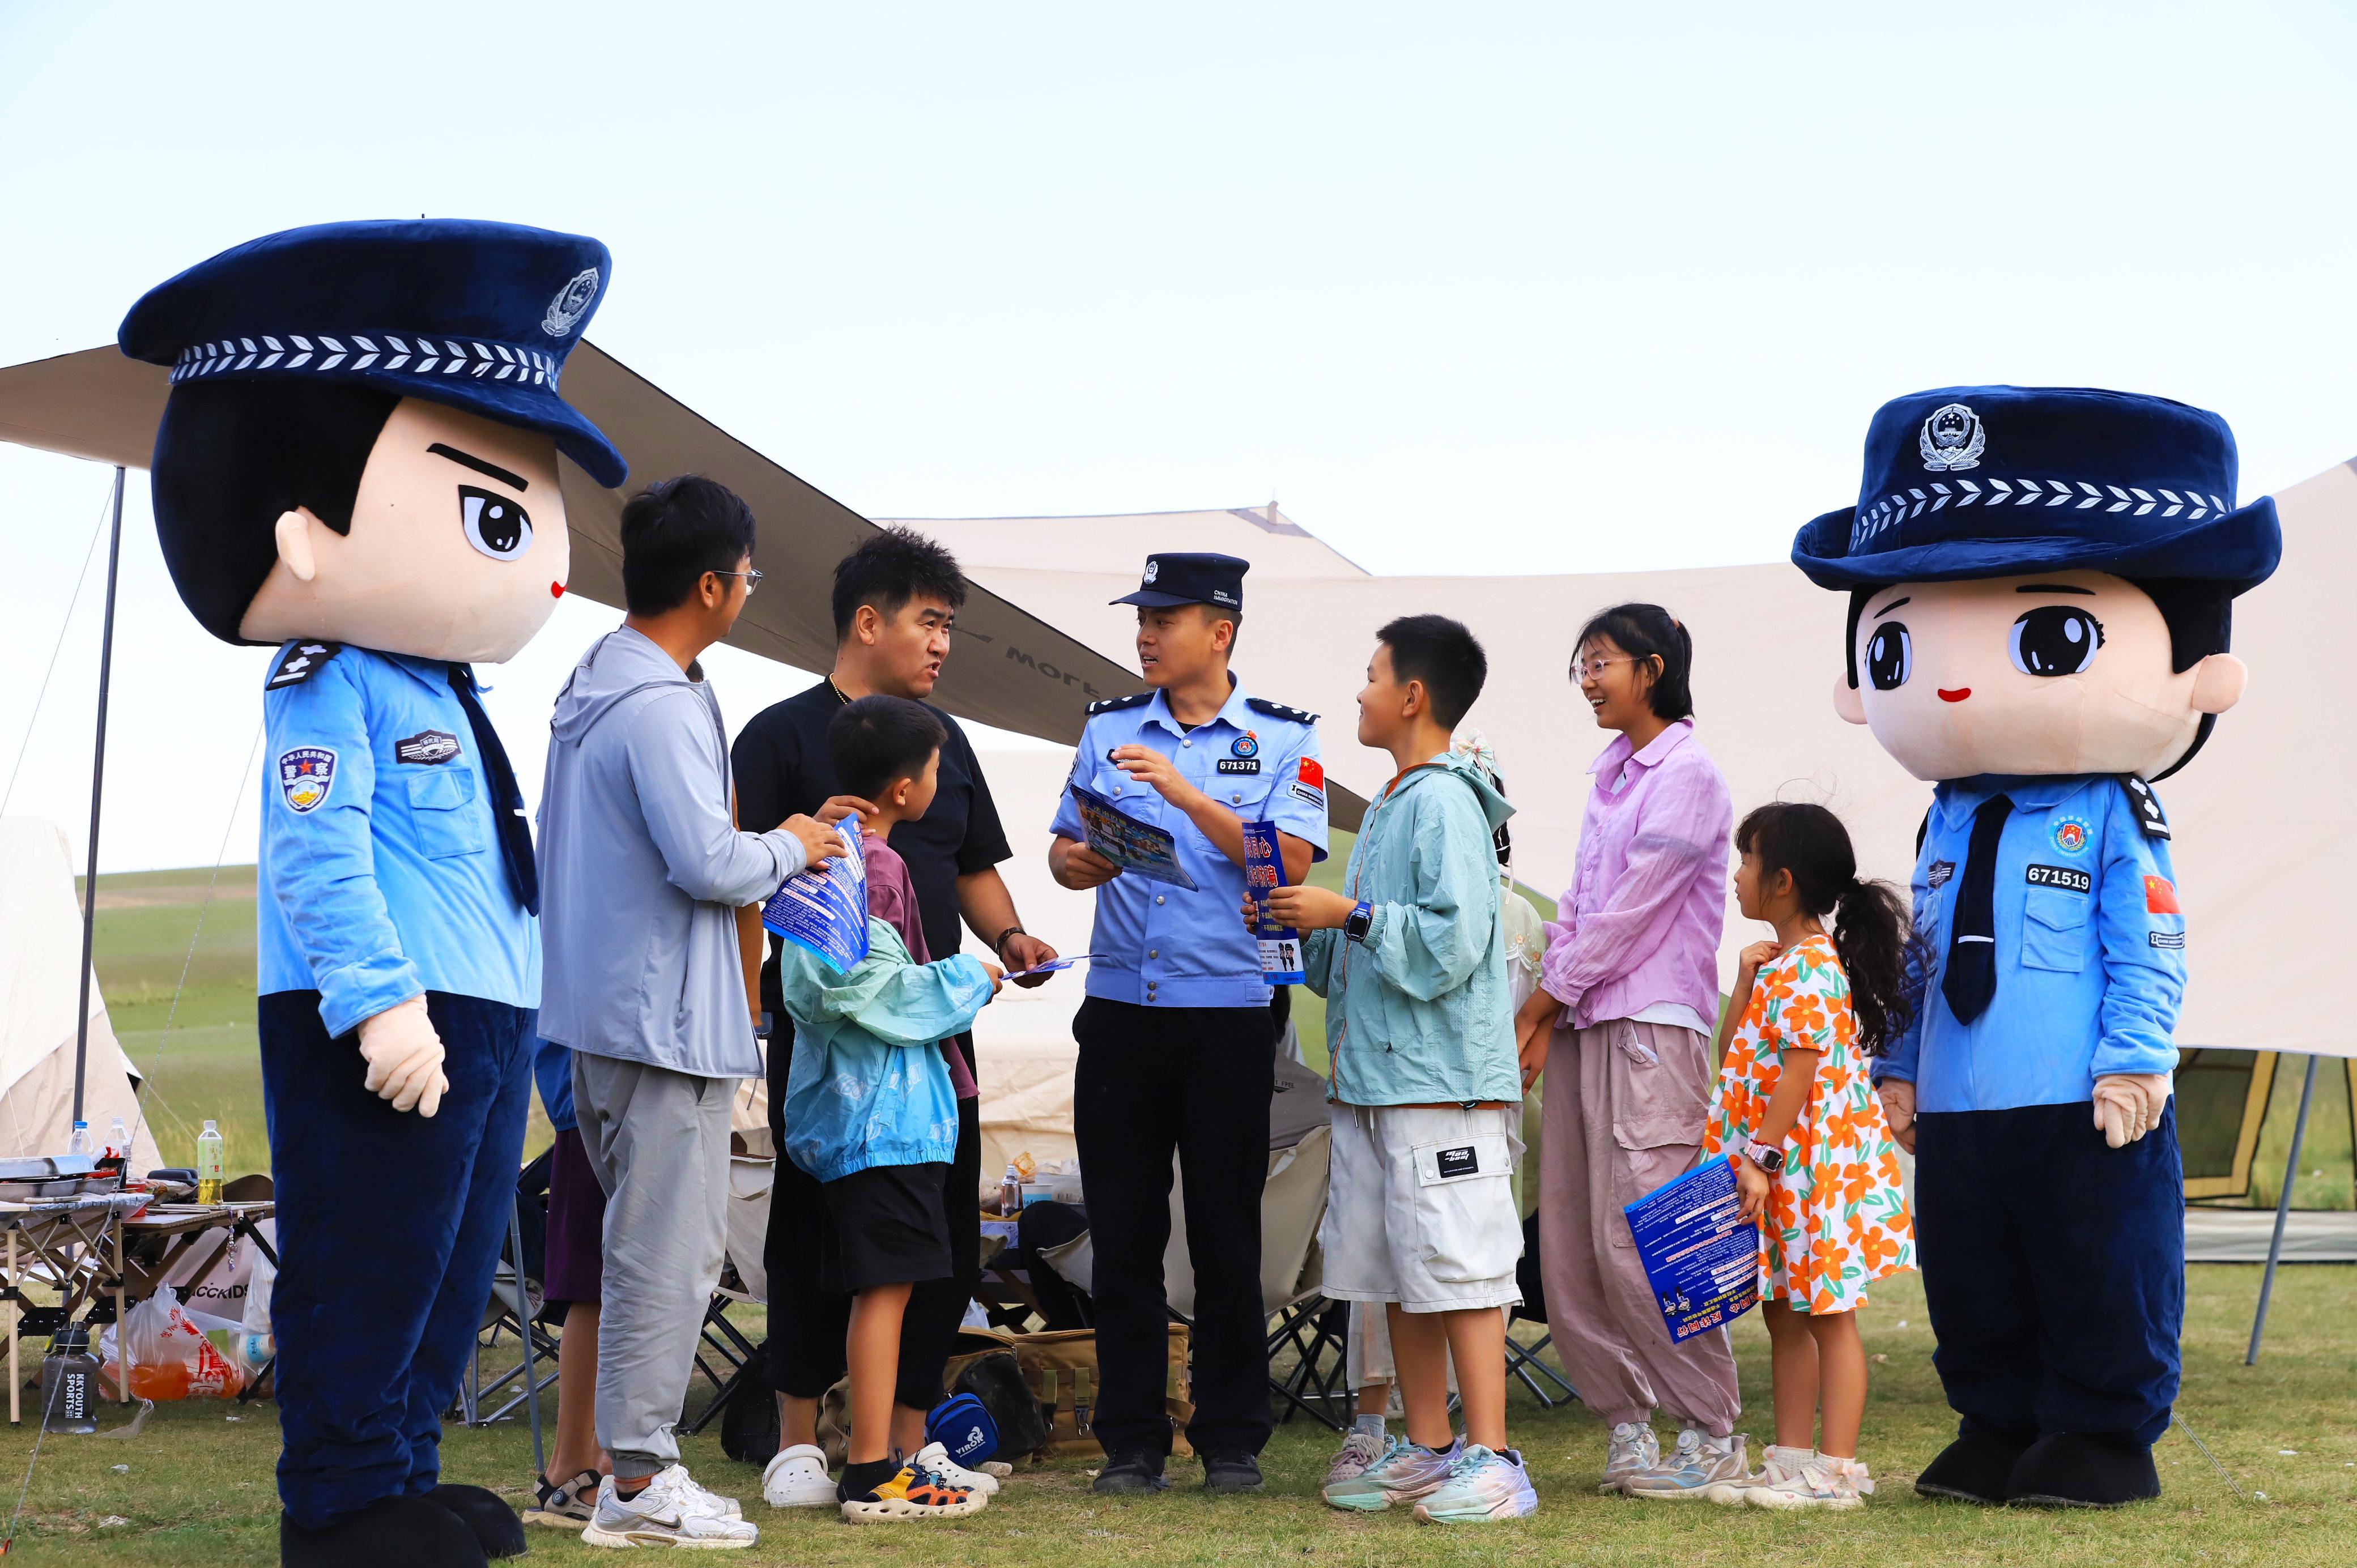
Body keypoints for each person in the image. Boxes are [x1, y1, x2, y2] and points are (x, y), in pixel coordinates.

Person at [120, 218, 626, 1568]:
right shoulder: (327, 681)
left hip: (485, 1010)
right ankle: (338, 1499)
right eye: (497, 515)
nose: (542, 563)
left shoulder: (443, 690)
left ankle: (402, 1467)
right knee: (370, 1256)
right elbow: (318, 851)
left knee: (448, 1269)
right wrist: (376, 1000)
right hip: (383, 1011)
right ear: (303, 526)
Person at [1792, 385, 2279, 1507]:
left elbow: (2149, 940)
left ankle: (2101, 1435)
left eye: (2049, 634)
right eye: (1900, 640)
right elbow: (1919, 955)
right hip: (1961, 1098)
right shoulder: (1944, 817)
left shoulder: (2112, 809)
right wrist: (1898, 1065)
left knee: (2096, 1264)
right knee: (1971, 1271)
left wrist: (2136, 1059)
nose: (1954, 679)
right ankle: (1996, 1421)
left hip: (2077, 1095)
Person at [539, 475, 842, 1550]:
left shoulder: (599, 679)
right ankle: (639, 1475)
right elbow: (709, 861)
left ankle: (629, 1470)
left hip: (602, 1011)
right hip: (664, 1022)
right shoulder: (661, 703)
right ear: (712, 585)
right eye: (748, 573)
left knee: (640, 1249)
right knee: (668, 1255)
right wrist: (795, 844)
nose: (752, 588)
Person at [730, 527, 1058, 1507]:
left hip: (933, 1041)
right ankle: (799, 1441)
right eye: (930, 621)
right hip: (828, 1043)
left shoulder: (944, 741)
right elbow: (737, 878)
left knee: (935, 1240)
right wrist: (746, 1003)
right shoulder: (780, 736)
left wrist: (1011, 940)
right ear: (869, 622)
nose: (943, 643)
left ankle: (907, 1441)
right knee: (811, 1233)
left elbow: (972, 864)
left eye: (950, 626)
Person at [1049, 551, 1328, 1495]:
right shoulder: (1108, 727)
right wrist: (1077, 864)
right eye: (1141, 617)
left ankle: (1232, 1437)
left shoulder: (1285, 737)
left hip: (1229, 1015)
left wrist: (1185, 795)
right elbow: (1063, 849)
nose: (1144, 634)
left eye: (1163, 619)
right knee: (1123, 1230)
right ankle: (1131, 1439)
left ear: (1221, 632)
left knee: (1225, 1232)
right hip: (1122, 1013)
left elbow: (1289, 861)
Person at [1256, 616, 1534, 1525]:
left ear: (1413, 696)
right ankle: (1430, 1447)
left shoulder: (1445, 800)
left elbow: (1454, 941)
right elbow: (1357, 953)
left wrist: (1349, 914)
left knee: (1462, 1267)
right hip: (1377, 1086)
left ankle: (1495, 1460)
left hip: (1441, 1086)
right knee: (1401, 1275)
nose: (1360, 690)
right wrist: (1300, 927)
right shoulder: (1388, 802)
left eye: (1372, 674)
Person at [1510, 603, 1742, 1498]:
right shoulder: (1610, 775)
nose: (1589, 680)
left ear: (1652, 670)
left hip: (1651, 1027)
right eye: (1584, 664)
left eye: (1601, 662)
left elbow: (1631, 915)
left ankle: (1710, 1429)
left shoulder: (1689, 774)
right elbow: (1576, 906)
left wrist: (1540, 1002)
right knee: (1570, 1243)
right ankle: (1628, 1425)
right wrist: (1547, 1016)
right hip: (1583, 1020)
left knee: (1650, 1236)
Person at [775, 694, 1010, 1522]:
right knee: (885, 1291)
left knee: (884, 1288)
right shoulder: (872, 867)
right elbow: (867, 989)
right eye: (938, 769)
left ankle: (882, 1457)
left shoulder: (817, 858)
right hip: (887, 1121)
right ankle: (874, 1470)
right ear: (907, 789)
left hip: (853, 1119)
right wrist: (970, 977)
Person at [1697, 803, 1917, 1509]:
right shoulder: (1780, 966)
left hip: (1807, 1171)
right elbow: (1735, 1055)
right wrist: (1742, 983)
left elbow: (1797, 1075)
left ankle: (1836, 1472)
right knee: (1784, 1310)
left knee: (1828, 1313)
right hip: (1780, 1170)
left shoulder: (1813, 969)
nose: (1736, 875)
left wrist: (1757, 1158)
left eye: (1746, 861)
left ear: (1782, 880)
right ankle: (1789, 1461)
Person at [522, 1037, 609, 1530]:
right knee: (599, 1287)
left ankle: (586, 1465)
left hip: (599, 1095)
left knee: (607, 1287)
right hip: (596, 1096)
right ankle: (573, 1471)